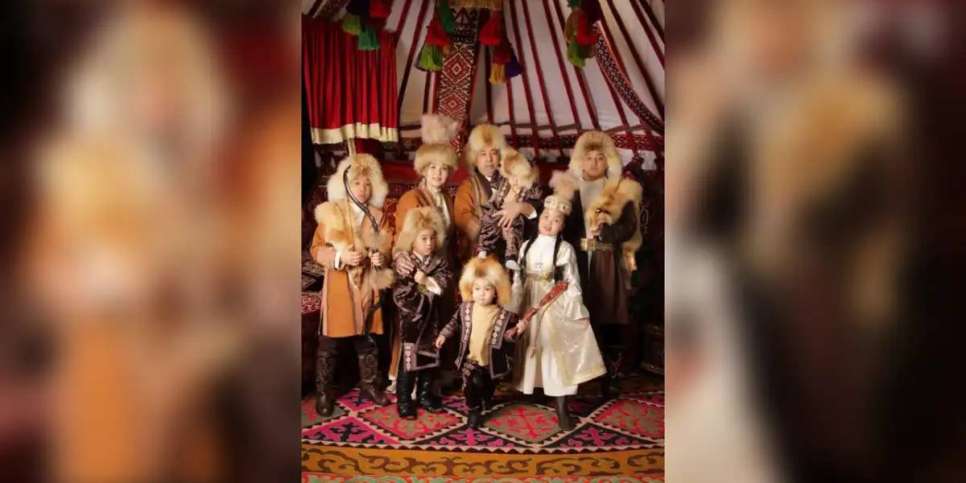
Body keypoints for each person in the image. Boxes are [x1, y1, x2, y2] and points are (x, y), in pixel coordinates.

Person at [510, 171, 607, 429]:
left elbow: (572, 281)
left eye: (556, 220)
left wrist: (577, 309)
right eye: (545, 217)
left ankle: (562, 407)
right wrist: (515, 304)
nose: (549, 223)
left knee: (554, 352)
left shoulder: (564, 249)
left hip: (552, 305)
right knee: (532, 348)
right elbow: (518, 277)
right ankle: (536, 388)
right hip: (529, 301)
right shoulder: (525, 246)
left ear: (562, 225)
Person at [311, 154, 394, 416]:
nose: (363, 188)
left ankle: (369, 386)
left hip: (368, 284)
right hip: (340, 284)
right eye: (357, 182)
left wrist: (382, 257)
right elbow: (316, 249)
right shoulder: (331, 212)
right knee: (330, 343)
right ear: (346, 184)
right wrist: (339, 257)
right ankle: (324, 392)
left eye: (368, 184)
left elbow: (388, 246)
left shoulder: (378, 216)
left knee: (367, 338)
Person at [562, 131, 643, 398]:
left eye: (600, 158)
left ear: (608, 161)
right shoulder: (568, 188)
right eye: (589, 158)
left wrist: (606, 232)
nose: (594, 163)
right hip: (576, 259)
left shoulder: (620, 189)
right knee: (578, 314)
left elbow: (629, 226)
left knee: (607, 314)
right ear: (580, 160)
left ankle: (610, 376)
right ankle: (579, 375)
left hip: (606, 259)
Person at [391, 113, 460, 395]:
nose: (437, 173)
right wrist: (413, 272)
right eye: (432, 167)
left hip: (441, 269)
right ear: (422, 169)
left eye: (443, 168)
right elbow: (402, 241)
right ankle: (406, 384)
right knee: (417, 329)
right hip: (418, 272)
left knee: (438, 327)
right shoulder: (412, 198)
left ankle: (431, 382)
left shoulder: (447, 198)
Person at [435, 257, 520, 428]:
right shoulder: (466, 308)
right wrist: (444, 335)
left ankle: (486, 398)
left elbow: (508, 337)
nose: (482, 293)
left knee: (487, 385)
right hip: (470, 358)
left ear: (496, 291)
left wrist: (517, 330)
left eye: (487, 289)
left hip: (490, 361)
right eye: (477, 288)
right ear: (470, 289)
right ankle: (474, 410)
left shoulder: (503, 315)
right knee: (472, 384)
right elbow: (454, 323)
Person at [391, 207, 453, 419]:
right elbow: (400, 294)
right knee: (409, 361)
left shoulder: (439, 261)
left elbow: (443, 286)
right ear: (412, 239)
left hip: (432, 320)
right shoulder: (404, 263)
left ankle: (425, 395)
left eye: (432, 238)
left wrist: (425, 281)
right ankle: (404, 399)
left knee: (429, 359)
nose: (429, 243)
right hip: (413, 321)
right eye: (424, 238)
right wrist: (423, 297)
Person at [476, 149, 542, 267]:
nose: (514, 180)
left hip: (520, 234)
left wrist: (519, 208)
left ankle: (511, 256)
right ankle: (483, 248)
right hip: (498, 234)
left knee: (515, 223)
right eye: (511, 176)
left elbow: (535, 209)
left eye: (518, 176)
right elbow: (494, 200)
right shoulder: (504, 184)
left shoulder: (531, 190)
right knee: (489, 217)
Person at [454, 124, 506, 261]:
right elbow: (462, 218)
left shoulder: (511, 183)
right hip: (479, 254)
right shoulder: (467, 187)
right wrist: (489, 228)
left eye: (493, 153)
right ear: (475, 159)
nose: (489, 159)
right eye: (483, 154)